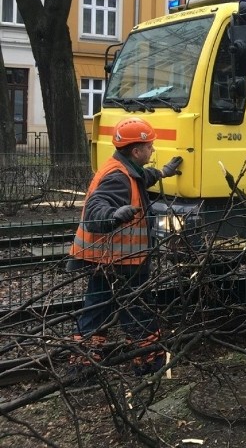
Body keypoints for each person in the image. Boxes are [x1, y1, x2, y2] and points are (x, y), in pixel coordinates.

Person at [67, 117, 183, 377]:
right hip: (121, 262)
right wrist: (113, 215)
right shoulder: (117, 178)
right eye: (149, 146)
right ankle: (149, 365)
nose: (152, 150)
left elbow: (141, 177)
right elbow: (96, 209)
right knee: (139, 311)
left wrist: (163, 172)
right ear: (136, 150)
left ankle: (81, 369)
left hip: (109, 259)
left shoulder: (123, 167)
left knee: (96, 310)